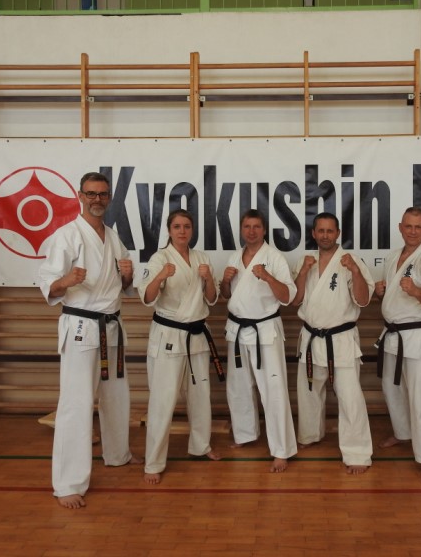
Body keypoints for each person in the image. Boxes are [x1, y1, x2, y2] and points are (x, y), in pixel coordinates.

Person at [38, 172, 142, 509]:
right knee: (77, 403)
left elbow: (124, 285)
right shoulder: (66, 236)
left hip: (111, 326)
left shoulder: (113, 237)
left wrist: (127, 277)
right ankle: (67, 483)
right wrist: (65, 280)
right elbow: (48, 285)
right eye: (91, 194)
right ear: (80, 196)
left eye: (102, 194)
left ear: (109, 197)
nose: (97, 199)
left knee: (116, 396)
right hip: (82, 326)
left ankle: (117, 454)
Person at [137, 209, 223, 485]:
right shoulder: (159, 258)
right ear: (169, 230)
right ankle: (153, 462)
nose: (182, 231)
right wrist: (160, 276)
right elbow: (147, 298)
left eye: (187, 226)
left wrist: (208, 279)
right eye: (177, 226)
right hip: (169, 335)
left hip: (197, 336)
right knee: (162, 401)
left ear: (192, 230)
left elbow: (212, 299)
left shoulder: (202, 259)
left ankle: (200, 445)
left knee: (200, 396)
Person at [292, 212, 375, 474]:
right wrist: (303, 272)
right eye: (321, 230)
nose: (325, 235)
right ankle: (310, 435)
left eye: (330, 231)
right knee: (308, 391)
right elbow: (295, 300)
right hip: (311, 337)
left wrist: (355, 272)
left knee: (350, 397)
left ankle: (358, 453)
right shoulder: (306, 261)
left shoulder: (351, 261)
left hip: (340, 339)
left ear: (338, 233)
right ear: (314, 233)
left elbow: (363, 300)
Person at [220, 209, 297, 473]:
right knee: (238, 387)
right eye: (247, 226)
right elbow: (226, 295)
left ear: (264, 230)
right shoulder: (235, 257)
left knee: (273, 391)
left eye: (256, 227)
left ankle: (281, 450)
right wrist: (225, 282)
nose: (251, 231)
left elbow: (288, 296)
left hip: (265, 331)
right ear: (242, 229)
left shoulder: (274, 258)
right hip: (237, 330)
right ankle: (245, 434)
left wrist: (267, 277)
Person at [375, 207, 421, 481]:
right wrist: (381, 291)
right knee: (392, 389)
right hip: (394, 335)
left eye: (418, 227)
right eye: (408, 226)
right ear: (400, 227)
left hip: (419, 337)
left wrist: (416, 291)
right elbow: (392, 295)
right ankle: (403, 433)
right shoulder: (393, 256)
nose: (413, 231)